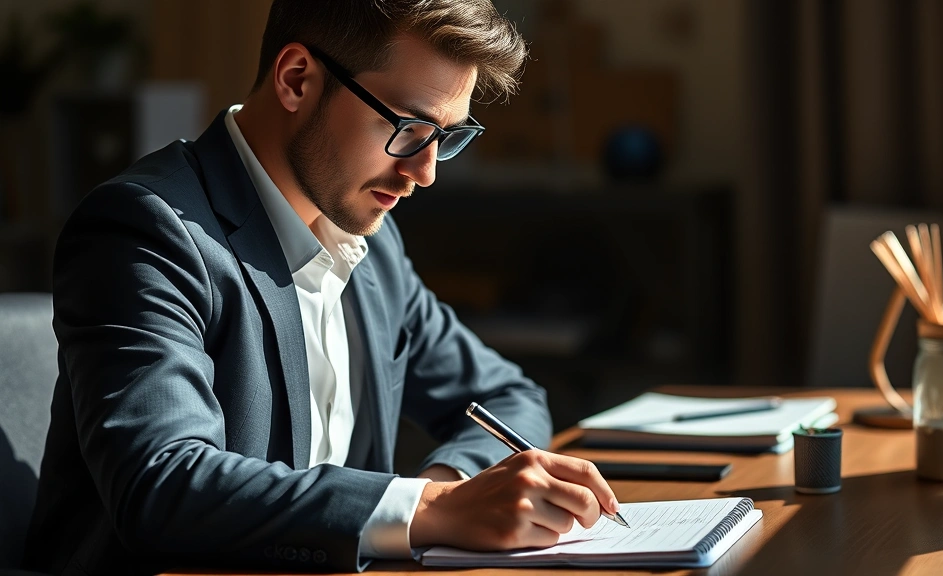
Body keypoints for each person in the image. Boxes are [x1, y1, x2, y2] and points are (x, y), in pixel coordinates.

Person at [22, 1, 623, 574]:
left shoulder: (371, 242)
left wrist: (447, 492)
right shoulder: (146, 230)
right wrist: (431, 512)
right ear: (296, 80)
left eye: (449, 136)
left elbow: (508, 397)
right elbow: (162, 483)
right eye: (410, 127)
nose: (425, 172)